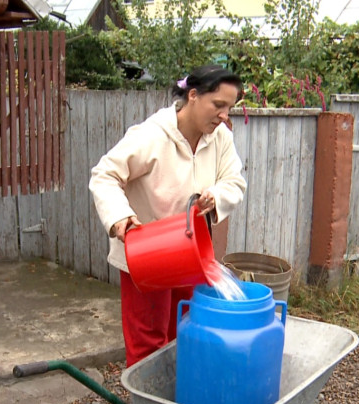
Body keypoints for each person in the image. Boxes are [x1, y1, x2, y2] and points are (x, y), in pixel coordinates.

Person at [88, 65, 248, 366]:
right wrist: (120, 217)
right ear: (193, 95)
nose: (225, 115)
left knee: (185, 334)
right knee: (147, 342)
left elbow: (234, 181)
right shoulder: (150, 136)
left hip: (190, 255)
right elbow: (104, 176)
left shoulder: (221, 138)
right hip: (147, 256)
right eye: (219, 105)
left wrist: (217, 195)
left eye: (230, 108)